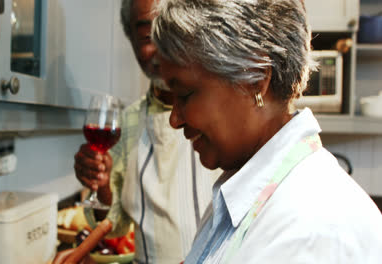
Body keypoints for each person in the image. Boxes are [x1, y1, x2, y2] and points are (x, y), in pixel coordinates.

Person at [151, 0, 382, 263]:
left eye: (184, 94)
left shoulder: (313, 226)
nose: (174, 119)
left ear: (255, 80)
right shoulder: (246, 189)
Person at [68, 0, 221, 263]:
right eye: (148, 36)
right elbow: (114, 226)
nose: (161, 49)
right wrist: (101, 185)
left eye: (170, 31)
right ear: (132, 42)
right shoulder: (125, 124)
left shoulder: (225, 109)